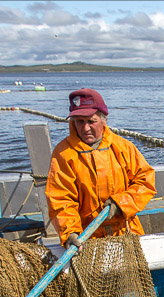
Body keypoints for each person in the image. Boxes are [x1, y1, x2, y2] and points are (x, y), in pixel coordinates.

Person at [45, 88, 156, 248]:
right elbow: (60, 198)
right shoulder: (63, 154)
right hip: (88, 239)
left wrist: (120, 203)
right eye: (79, 121)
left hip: (127, 233)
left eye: (91, 121)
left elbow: (145, 182)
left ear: (104, 120)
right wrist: (70, 233)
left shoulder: (123, 147)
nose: (85, 128)